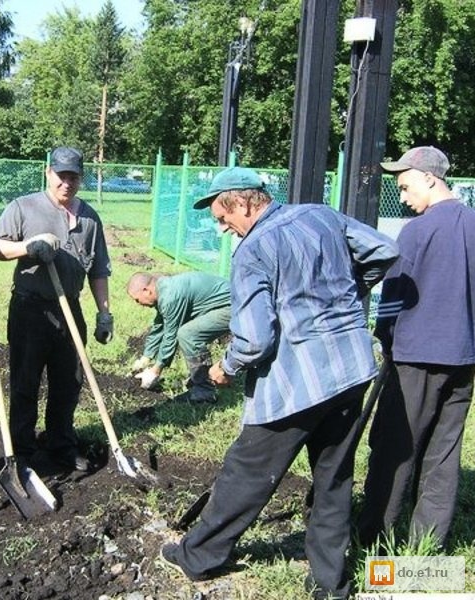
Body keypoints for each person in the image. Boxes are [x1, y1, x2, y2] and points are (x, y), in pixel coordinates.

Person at [159, 167, 398, 600]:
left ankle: (200, 556)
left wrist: (225, 368)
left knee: (246, 473)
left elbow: (254, 340)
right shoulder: (322, 216)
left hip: (297, 384)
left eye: (222, 215)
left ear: (244, 202)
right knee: (333, 479)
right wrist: (347, 295)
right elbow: (384, 250)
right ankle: (330, 583)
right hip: (350, 371)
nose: (222, 227)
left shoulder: (253, 251)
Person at [358, 146, 475, 550]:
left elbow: (392, 299)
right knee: (443, 456)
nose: (404, 197)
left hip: (414, 359)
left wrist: (385, 339)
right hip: (463, 360)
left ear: (429, 178)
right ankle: (427, 551)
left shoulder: (416, 231)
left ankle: (375, 542)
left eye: (406, 187)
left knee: (395, 449)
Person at [0, 146, 113, 473]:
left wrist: (104, 313)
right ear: (48, 173)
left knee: (68, 383)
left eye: (73, 177)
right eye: (61, 176)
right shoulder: (24, 208)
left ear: (81, 178)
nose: (66, 183)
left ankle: (61, 445)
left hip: (70, 308)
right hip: (31, 310)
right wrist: (27, 247)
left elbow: (99, 270)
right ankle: (23, 453)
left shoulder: (89, 219)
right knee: (26, 382)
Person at [126, 271, 231, 402]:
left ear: (146, 290)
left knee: (188, 335)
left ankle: (204, 390)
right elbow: (159, 326)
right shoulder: (163, 289)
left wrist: (155, 370)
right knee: (188, 332)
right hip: (222, 305)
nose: (138, 303)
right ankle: (199, 379)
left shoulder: (170, 297)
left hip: (234, 307)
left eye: (137, 299)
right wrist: (146, 358)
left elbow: (171, 335)